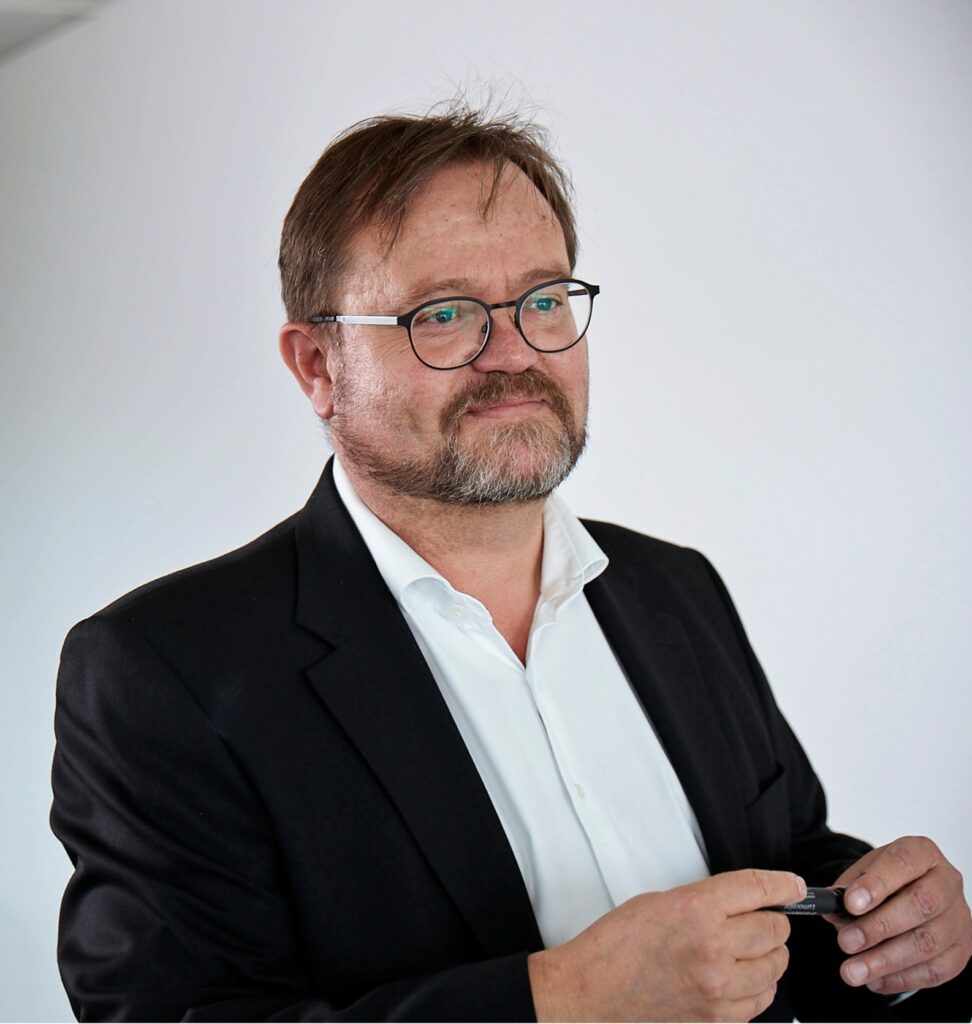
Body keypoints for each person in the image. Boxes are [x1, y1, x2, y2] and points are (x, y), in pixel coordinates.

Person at [51, 105, 971, 1023]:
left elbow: (788, 860)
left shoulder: (676, 589)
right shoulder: (163, 670)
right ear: (318, 367)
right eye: (444, 313)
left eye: (543, 300)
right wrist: (560, 999)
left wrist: (888, 928)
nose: (516, 353)